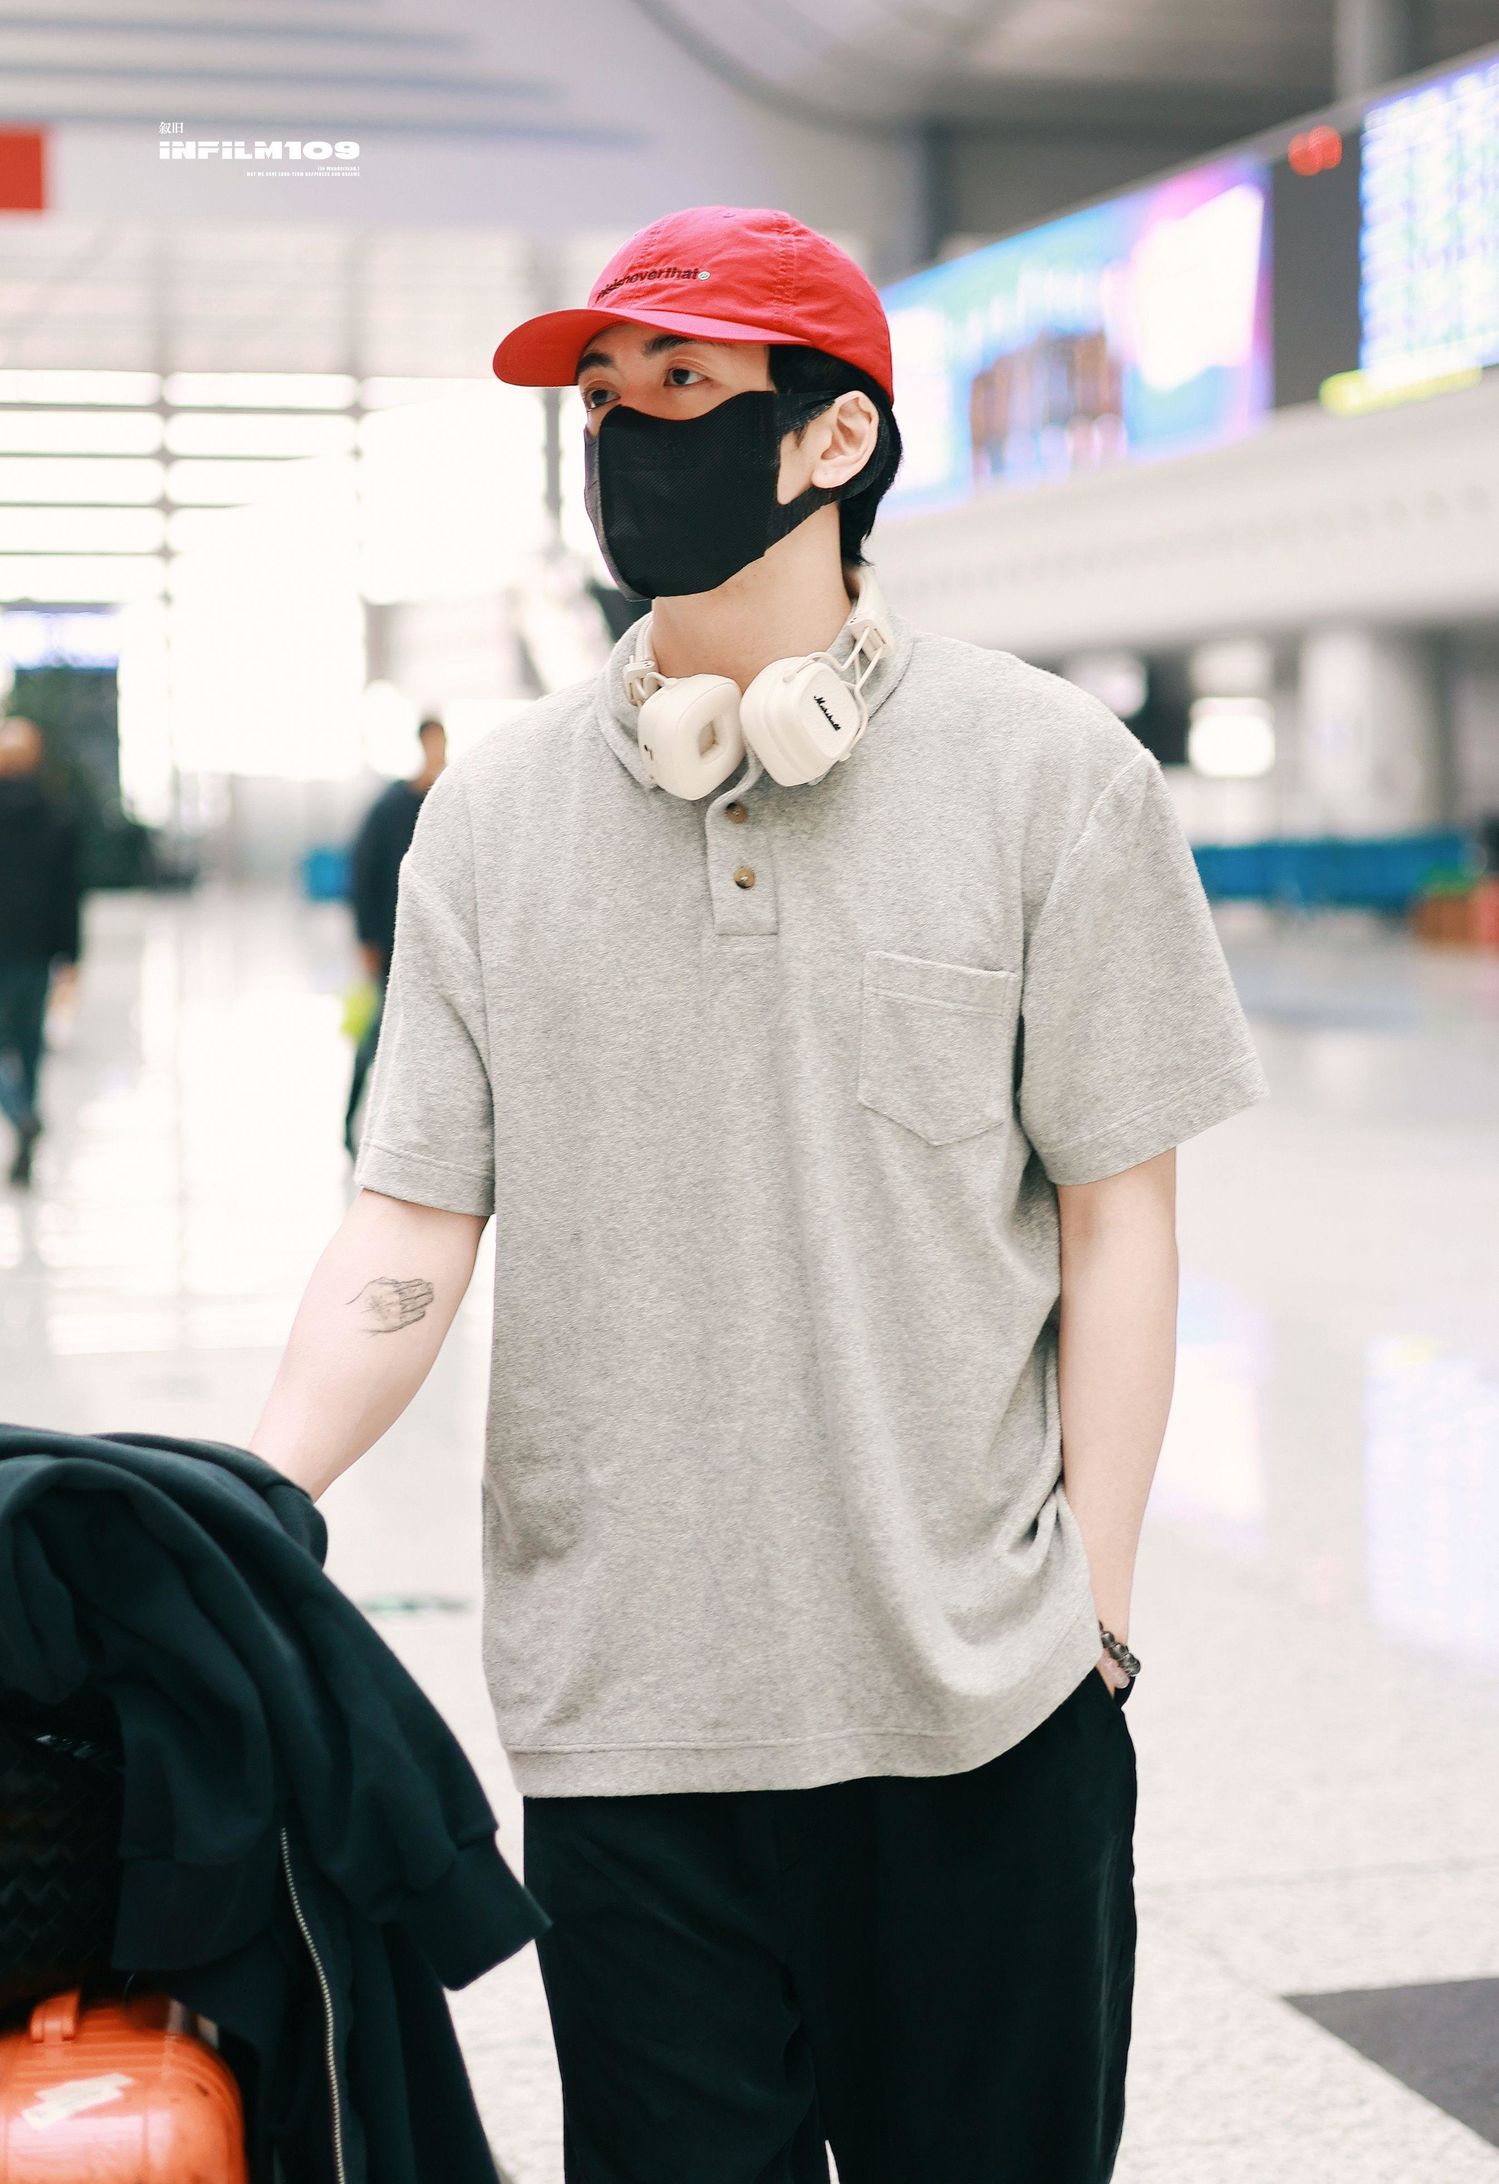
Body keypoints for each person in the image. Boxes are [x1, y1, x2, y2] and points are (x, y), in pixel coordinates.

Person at [250, 207, 1270, 2183]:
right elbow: (410, 1218)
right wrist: (251, 1489)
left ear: (830, 437)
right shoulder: (491, 820)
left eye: (681, 386)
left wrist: (1095, 1616)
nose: (626, 435)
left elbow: (1114, 1215)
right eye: (601, 398)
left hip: (979, 1718)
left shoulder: (1048, 775)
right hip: (627, 1726)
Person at [343, 715, 446, 1157]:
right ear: (422, 744)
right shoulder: (390, 808)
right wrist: (366, 939)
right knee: (375, 1037)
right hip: (391, 944)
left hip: (434, 945)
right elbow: (363, 873)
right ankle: (349, 1121)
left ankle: (422, 1136)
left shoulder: (449, 799)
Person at [0, 716, 81, 1189]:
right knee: (29, 1045)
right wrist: (70, 954)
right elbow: (68, 894)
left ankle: (19, 1114)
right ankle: (26, 1121)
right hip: (36, 951)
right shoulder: (56, 815)